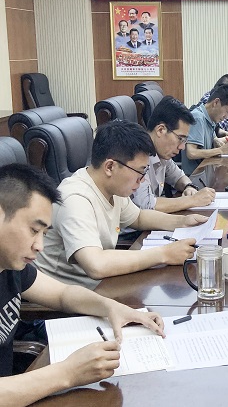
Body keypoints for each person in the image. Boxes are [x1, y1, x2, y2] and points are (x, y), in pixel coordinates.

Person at [0, 164, 165, 405]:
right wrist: (67, 373)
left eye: (43, 233)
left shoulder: (11, 266)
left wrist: (112, 308)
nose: (40, 246)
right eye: (34, 230)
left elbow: (62, 294)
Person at [34, 121, 206, 289]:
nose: (142, 180)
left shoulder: (111, 187)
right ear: (110, 167)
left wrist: (183, 222)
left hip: (104, 285)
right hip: (69, 296)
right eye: (140, 172)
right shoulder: (75, 199)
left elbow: (138, 217)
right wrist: (164, 254)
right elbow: (96, 265)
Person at [132, 96, 216, 213]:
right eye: (180, 138)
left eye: (184, 140)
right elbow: (146, 205)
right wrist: (192, 200)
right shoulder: (137, 156)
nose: (182, 147)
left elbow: (178, 176)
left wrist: (188, 186)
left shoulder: (162, 154)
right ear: (160, 130)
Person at [182, 84, 228, 174]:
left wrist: (217, 142)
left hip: (206, 172)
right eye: (227, 111)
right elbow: (191, 153)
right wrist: (220, 150)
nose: (226, 117)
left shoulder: (211, 119)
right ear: (216, 102)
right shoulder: (198, 118)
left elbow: (214, 140)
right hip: (194, 176)